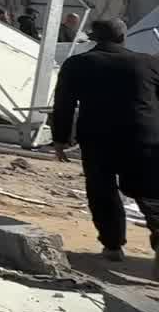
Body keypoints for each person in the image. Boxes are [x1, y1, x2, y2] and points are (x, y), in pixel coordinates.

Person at [50, 18, 159, 266]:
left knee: (102, 192)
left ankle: (112, 246)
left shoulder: (78, 64)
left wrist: (59, 139)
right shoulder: (148, 63)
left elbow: (64, 105)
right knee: (151, 192)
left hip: (99, 140)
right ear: (123, 37)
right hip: (145, 138)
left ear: (94, 37)